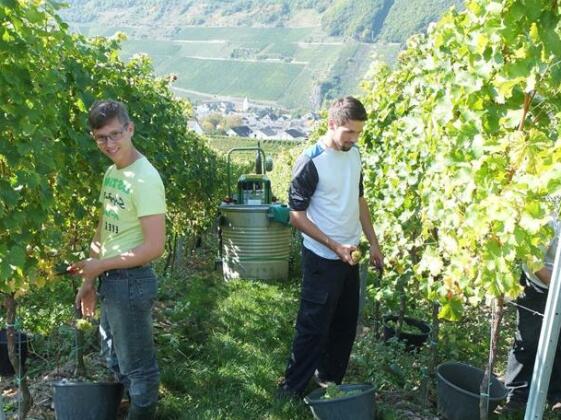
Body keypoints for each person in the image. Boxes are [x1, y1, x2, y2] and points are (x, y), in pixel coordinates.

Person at [278, 96, 384, 398]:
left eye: (359, 132)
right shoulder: (311, 162)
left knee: (345, 323)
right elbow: (296, 217)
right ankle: (292, 389)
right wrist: (334, 245)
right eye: (349, 132)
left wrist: (373, 243)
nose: (354, 138)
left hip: (350, 254)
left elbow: (359, 200)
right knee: (313, 325)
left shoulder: (355, 155)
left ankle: (329, 380)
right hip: (323, 256)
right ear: (331, 124)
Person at [71, 100, 166, 420]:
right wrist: (89, 279)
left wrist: (102, 267)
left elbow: (155, 246)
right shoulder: (113, 172)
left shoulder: (145, 178)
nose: (109, 144)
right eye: (101, 138)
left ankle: (140, 410)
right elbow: (104, 226)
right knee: (114, 358)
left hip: (130, 283)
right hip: (111, 280)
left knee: (140, 374)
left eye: (115, 135)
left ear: (130, 129)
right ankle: (129, 408)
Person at [500, 217, 561, 414]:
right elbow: (533, 261)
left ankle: (556, 396)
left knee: (559, 342)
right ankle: (516, 396)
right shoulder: (548, 218)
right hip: (538, 285)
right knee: (529, 340)